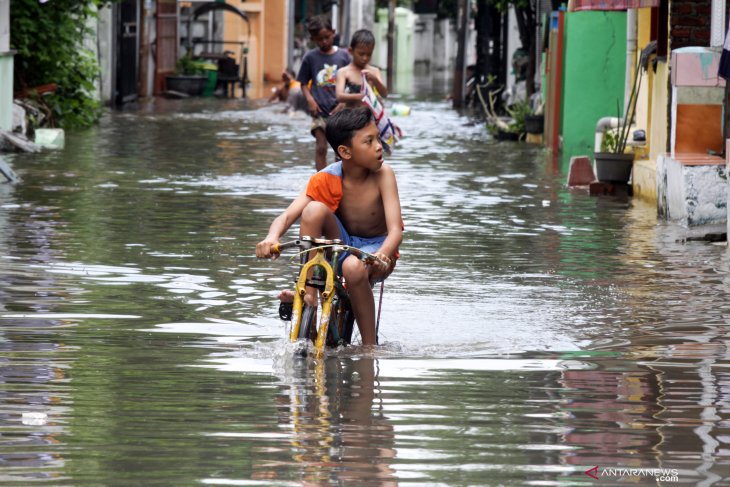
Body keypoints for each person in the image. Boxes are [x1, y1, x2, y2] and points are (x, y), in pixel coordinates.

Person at [255, 107, 403, 346]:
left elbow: (395, 230)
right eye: (369, 141)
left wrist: (380, 256)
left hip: (377, 248)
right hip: (341, 243)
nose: (379, 146)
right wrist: (271, 238)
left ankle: (369, 347)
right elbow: (286, 216)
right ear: (345, 151)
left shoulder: (384, 175)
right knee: (313, 210)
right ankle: (309, 293)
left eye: (377, 138)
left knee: (355, 268)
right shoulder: (327, 177)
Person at [296, 16, 351, 171]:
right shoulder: (310, 58)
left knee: (339, 149)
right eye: (319, 39)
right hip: (319, 111)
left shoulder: (344, 56)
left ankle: (339, 179)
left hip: (339, 112)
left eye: (327, 37)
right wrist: (310, 100)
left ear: (333, 33)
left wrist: (343, 102)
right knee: (320, 147)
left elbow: (351, 83)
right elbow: (303, 83)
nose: (324, 42)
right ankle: (321, 180)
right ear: (313, 39)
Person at [335, 29, 401, 154]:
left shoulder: (374, 71)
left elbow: (384, 93)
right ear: (351, 51)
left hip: (369, 120)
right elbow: (339, 96)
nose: (365, 58)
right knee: (345, 153)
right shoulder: (344, 72)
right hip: (349, 120)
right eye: (361, 54)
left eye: (369, 54)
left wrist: (375, 80)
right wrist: (360, 97)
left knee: (370, 154)